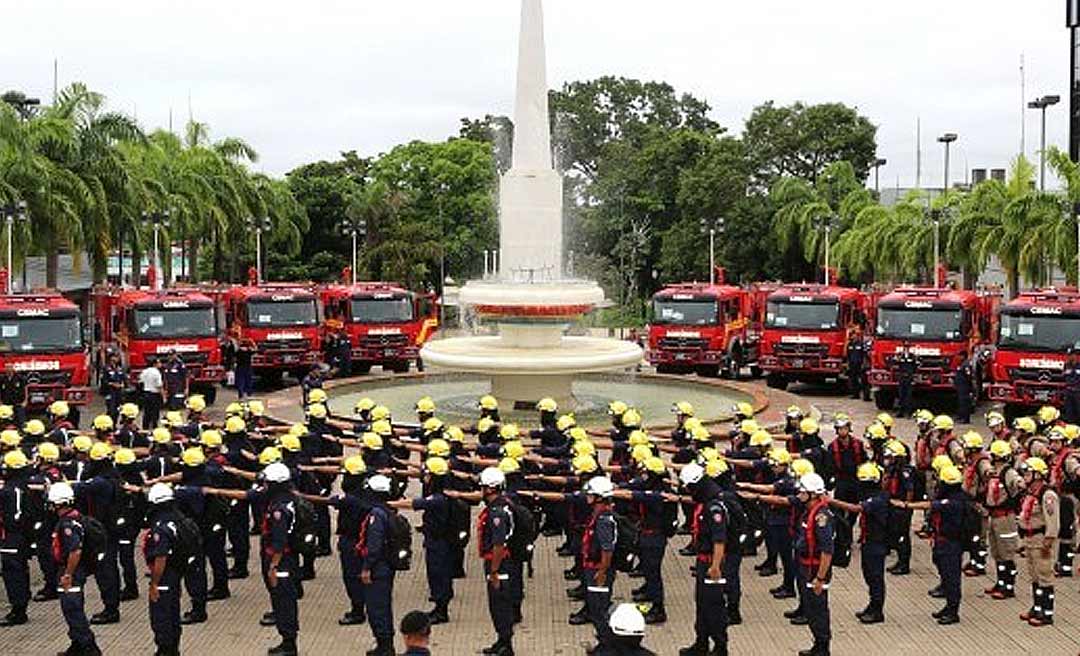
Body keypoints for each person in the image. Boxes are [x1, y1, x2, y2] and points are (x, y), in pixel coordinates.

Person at [896, 464, 966, 624]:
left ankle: (953, 611)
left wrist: (906, 505)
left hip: (951, 544)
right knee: (944, 572)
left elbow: (930, 505)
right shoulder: (954, 497)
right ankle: (948, 607)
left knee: (951, 577)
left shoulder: (954, 501)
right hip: (942, 541)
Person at [677, 462, 729, 656]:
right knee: (702, 605)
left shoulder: (714, 507)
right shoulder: (705, 502)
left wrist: (715, 566)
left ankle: (720, 647)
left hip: (712, 563)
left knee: (714, 607)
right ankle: (701, 643)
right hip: (703, 561)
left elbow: (719, 540)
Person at [49, 481, 102, 656]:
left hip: (72, 571)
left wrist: (68, 574)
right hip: (75, 570)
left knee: (73, 610)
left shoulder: (67, 525)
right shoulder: (76, 517)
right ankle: (77, 645)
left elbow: (75, 551)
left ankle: (89, 647)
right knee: (72, 608)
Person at [477, 467, 515, 656]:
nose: (481, 491)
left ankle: (506, 645)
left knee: (500, 605)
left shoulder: (497, 512)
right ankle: (502, 641)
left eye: (483, 487)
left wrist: (493, 571)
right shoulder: (502, 505)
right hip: (500, 563)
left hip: (500, 565)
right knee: (498, 605)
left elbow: (499, 545)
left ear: (491, 488)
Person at [1018, 457, 1060, 627]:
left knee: (1045, 577)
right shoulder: (1031, 493)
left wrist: (1048, 542)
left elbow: (1053, 521)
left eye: (1028, 473)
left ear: (1038, 475)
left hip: (1041, 541)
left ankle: (1047, 613)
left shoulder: (1048, 495)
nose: (1025, 476)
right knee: (1035, 577)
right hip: (1030, 540)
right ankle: (1037, 607)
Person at [144, 483, 185, 656]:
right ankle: (173, 649)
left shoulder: (160, 527)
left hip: (165, 576)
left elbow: (161, 557)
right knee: (173, 613)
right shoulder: (178, 518)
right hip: (176, 573)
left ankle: (166, 650)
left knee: (161, 616)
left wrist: (154, 583)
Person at [359, 474, 397, 656]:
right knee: (382, 606)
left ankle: (385, 646)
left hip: (378, 568)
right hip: (385, 566)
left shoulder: (376, 514)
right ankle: (384, 643)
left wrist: (367, 567)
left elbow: (374, 545)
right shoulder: (387, 510)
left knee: (377, 608)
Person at [581, 476, 618, 653]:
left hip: (598, 571)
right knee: (596, 609)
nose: (588, 497)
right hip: (594, 568)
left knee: (599, 611)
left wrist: (602, 572)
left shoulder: (603, 520)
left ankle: (607, 647)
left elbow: (607, 549)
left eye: (591, 494)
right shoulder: (599, 515)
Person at [0, 450, 33, 626]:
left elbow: (15, 517)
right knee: (19, 570)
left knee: (13, 573)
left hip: (11, 537)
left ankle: (18, 610)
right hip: (20, 536)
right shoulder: (24, 486)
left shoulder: (11, 491)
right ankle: (20, 604)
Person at [140, 357, 166, 430]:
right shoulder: (156, 372)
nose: (160, 364)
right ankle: (154, 428)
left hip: (146, 394)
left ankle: (145, 428)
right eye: (159, 363)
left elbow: (141, 381)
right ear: (154, 364)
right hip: (154, 394)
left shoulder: (144, 371)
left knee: (146, 412)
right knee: (155, 412)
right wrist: (164, 396)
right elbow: (159, 386)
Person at [101, 351, 127, 424]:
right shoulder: (106, 368)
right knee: (111, 411)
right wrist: (112, 384)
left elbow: (124, 379)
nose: (115, 359)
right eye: (114, 357)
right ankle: (108, 424)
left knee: (118, 410)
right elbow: (104, 381)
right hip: (110, 392)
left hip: (119, 393)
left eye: (117, 357)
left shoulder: (120, 368)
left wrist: (123, 385)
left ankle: (114, 424)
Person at [846, 325, 869, 401]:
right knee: (853, 380)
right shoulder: (849, 345)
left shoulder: (861, 344)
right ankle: (855, 394)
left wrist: (864, 364)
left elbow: (865, 355)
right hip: (852, 365)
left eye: (855, 335)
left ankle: (866, 396)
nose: (853, 336)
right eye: (852, 335)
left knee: (864, 381)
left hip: (860, 364)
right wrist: (848, 364)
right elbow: (848, 355)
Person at [895, 343, 917, 418]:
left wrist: (912, 375)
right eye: (905, 347)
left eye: (907, 347)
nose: (906, 349)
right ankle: (900, 412)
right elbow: (895, 363)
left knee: (909, 396)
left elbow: (915, 366)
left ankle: (908, 412)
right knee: (901, 395)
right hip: (901, 378)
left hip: (909, 378)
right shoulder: (900, 356)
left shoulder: (912, 356)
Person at [954, 355, 975, 424]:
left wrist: (970, 388)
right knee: (961, 402)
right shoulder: (961, 364)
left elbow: (968, 376)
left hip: (964, 387)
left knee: (965, 403)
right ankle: (961, 416)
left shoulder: (966, 365)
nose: (959, 357)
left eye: (960, 356)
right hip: (960, 387)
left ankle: (965, 419)